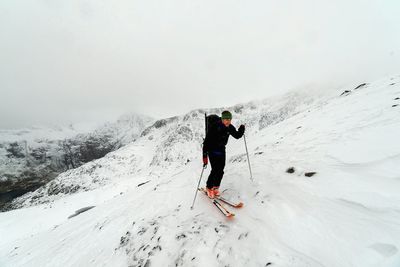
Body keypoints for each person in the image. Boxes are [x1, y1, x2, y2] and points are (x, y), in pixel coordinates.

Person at [202, 110, 245, 198]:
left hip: (221, 150)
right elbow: (206, 142)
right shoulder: (214, 126)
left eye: (229, 119)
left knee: (221, 170)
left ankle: (216, 187)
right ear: (222, 119)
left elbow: (237, 135)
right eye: (226, 119)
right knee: (215, 170)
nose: (228, 121)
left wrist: (242, 129)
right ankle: (209, 187)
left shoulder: (229, 127)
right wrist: (204, 156)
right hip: (212, 150)